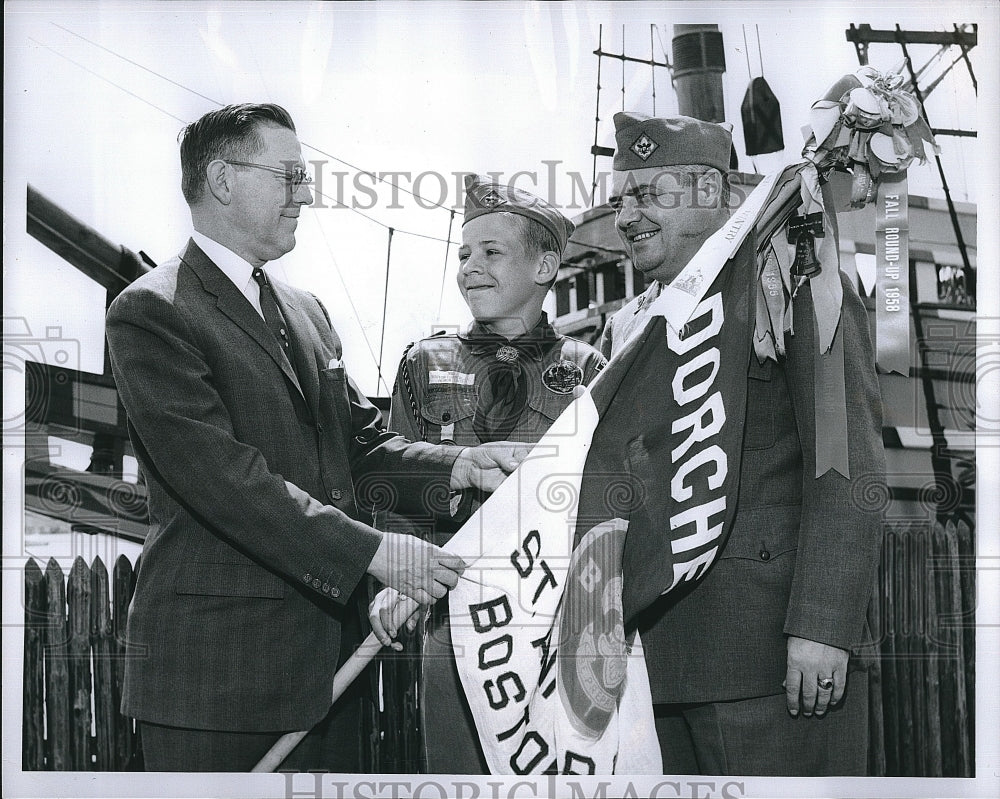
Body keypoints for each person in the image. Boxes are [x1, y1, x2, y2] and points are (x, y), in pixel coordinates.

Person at [105, 104, 524, 772]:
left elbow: (360, 445)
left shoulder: (307, 313)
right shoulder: (151, 313)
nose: (306, 193)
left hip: (330, 674)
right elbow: (227, 481)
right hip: (213, 687)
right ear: (223, 179)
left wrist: (460, 466)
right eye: (291, 175)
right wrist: (373, 554)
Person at [600, 112, 885, 776]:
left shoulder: (795, 280)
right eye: (620, 198)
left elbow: (846, 462)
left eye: (648, 193)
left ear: (709, 192)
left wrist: (822, 623)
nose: (625, 216)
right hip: (657, 667)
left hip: (775, 660)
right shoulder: (632, 323)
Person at [369, 175, 606, 773]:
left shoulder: (588, 371)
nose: (470, 268)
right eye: (464, 255)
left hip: (553, 623)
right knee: (460, 774)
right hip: (452, 618)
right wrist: (398, 576)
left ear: (546, 265)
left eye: (491, 252)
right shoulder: (425, 364)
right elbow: (392, 486)